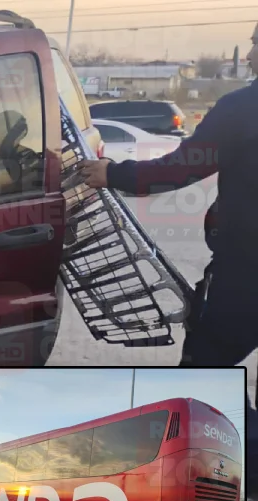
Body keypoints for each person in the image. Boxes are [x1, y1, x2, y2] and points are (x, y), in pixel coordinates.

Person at [79, 21, 258, 444]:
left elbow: (180, 169)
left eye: (255, 44)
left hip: (246, 275)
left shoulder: (243, 109)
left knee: (206, 381)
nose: (249, 56)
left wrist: (113, 173)